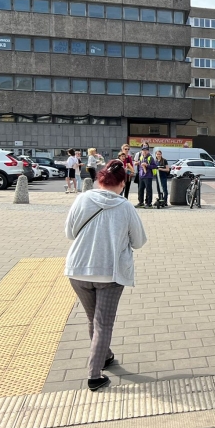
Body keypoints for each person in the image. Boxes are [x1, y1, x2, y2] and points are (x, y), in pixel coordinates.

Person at [64, 159, 147, 391]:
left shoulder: (82, 199)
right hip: (109, 274)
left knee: (94, 319)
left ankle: (105, 354)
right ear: (122, 183)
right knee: (103, 324)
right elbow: (139, 242)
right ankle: (94, 375)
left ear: (100, 180)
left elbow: (69, 233)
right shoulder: (125, 207)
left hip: (78, 270)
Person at [135, 144, 157, 208]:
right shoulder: (141, 157)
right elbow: (140, 166)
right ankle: (141, 202)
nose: (144, 151)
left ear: (148, 151)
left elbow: (154, 166)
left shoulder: (150, 158)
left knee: (148, 190)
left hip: (148, 176)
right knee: (140, 190)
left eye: (146, 150)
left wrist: (147, 165)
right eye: (143, 150)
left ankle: (149, 203)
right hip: (141, 176)